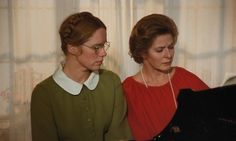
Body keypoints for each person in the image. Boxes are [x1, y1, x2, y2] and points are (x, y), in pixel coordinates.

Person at [31, 12, 132, 141]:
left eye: (104, 45)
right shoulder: (44, 93)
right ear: (72, 47)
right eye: (96, 47)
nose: (104, 52)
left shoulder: (111, 81)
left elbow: (119, 136)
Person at [123, 14, 209, 140]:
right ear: (142, 52)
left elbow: (216, 115)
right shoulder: (128, 90)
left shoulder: (185, 78)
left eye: (171, 47)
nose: (168, 55)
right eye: (160, 50)